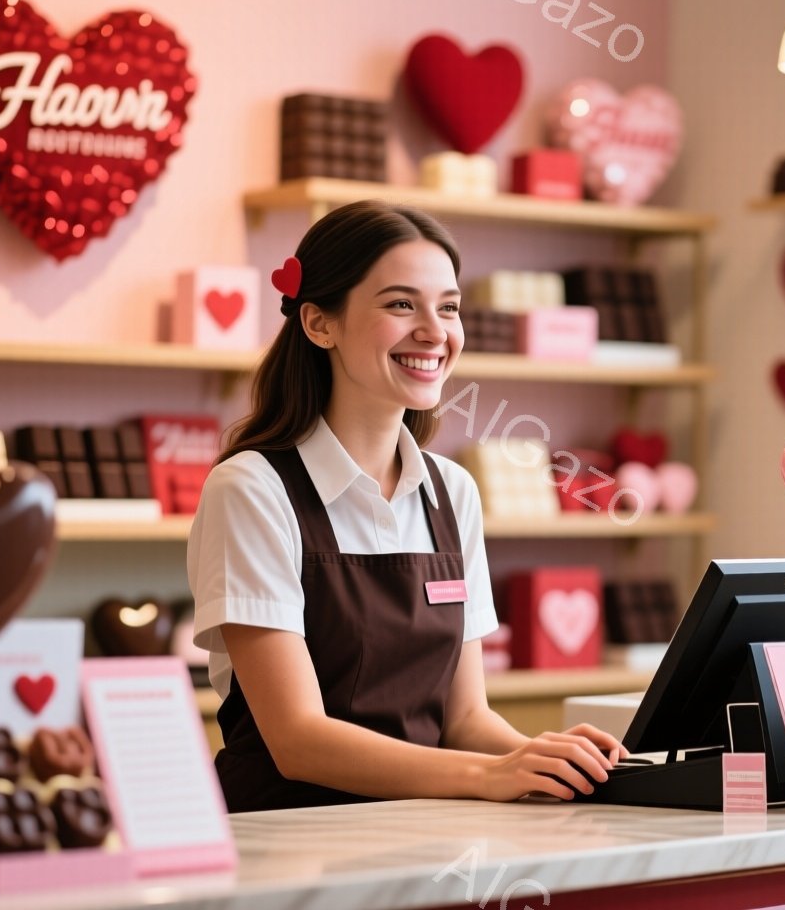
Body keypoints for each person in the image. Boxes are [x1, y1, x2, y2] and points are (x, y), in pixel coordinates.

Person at [189, 201, 624, 811]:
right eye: (400, 304)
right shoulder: (252, 489)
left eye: (448, 306)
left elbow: (467, 718)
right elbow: (297, 740)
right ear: (319, 323)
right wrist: (485, 777)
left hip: (421, 835)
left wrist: (545, 762)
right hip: (286, 843)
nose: (434, 330)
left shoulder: (453, 491)